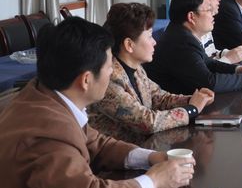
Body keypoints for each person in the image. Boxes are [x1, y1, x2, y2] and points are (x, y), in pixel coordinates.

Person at [0, 17, 195, 188]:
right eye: (109, 67)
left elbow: (96, 144)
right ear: (86, 80)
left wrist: (151, 157)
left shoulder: (46, 95)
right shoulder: (48, 133)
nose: (112, 72)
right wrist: (154, 181)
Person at [89, 3, 215, 143]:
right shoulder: (109, 78)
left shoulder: (136, 68)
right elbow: (147, 122)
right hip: (117, 155)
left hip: (141, 148)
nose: (154, 42)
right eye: (149, 36)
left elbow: (159, 98)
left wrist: (193, 99)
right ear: (129, 45)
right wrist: (192, 109)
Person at [145, 0, 242, 95]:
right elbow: (209, 83)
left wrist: (239, 69)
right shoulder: (181, 43)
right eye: (208, 10)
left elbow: (208, 63)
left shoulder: (183, 34)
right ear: (191, 17)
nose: (213, 14)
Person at [182, 0, 242, 64]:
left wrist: (232, 53)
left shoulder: (204, 23)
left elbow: (211, 54)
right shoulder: (187, 35)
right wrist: (229, 59)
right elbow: (204, 70)